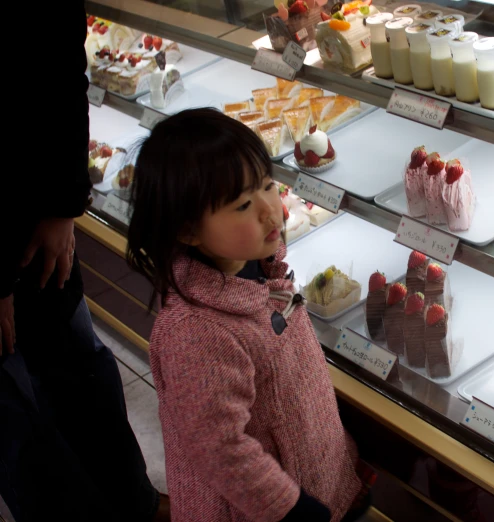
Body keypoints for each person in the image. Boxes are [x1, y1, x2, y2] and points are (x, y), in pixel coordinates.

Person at [126, 108, 372, 522]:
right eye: (242, 204)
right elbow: (219, 449)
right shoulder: (196, 332)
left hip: (310, 479)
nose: (270, 209)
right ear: (187, 230)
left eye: (268, 185)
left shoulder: (259, 271)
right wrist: (291, 509)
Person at [0, 3, 167, 521]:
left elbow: (57, 68)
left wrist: (64, 204)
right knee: (16, 411)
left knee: (79, 369)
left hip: (34, 215)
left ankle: (134, 501)